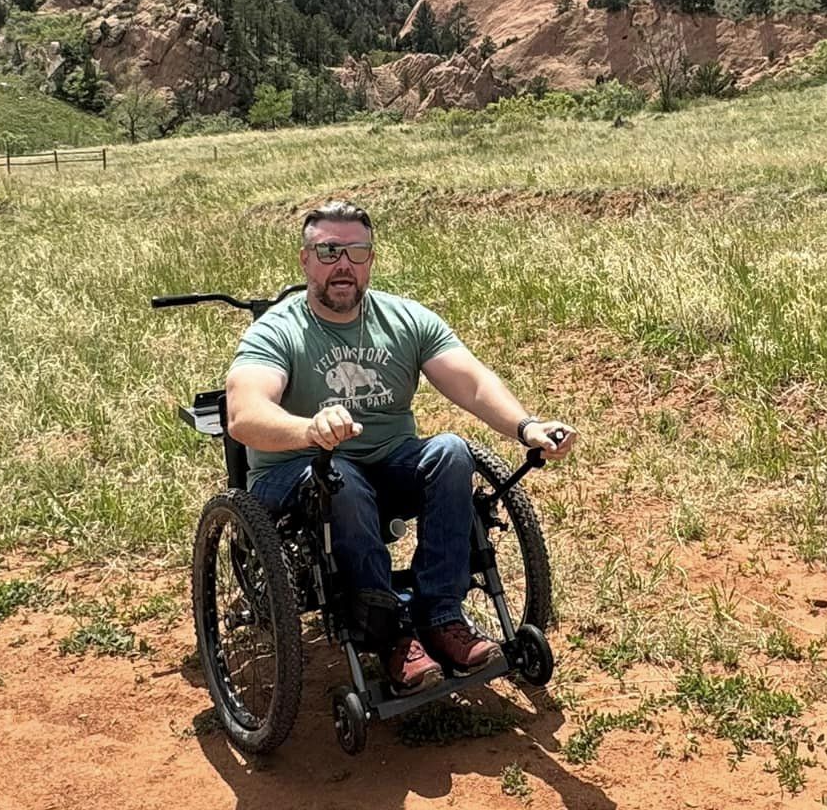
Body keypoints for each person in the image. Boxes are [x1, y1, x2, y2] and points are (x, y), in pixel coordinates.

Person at [225, 200, 578, 695]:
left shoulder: (405, 319)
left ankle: (440, 617)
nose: (342, 263)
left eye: (356, 250)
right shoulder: (279, 330)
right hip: (299, 472)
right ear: (305, 259)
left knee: (452, 450)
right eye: (328, 251)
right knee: (340, 477)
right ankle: (388, 636)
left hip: (386, 463)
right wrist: (309, 430)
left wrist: (526, 427)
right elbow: (244, 414)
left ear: (371, 258)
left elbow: (471, 382)